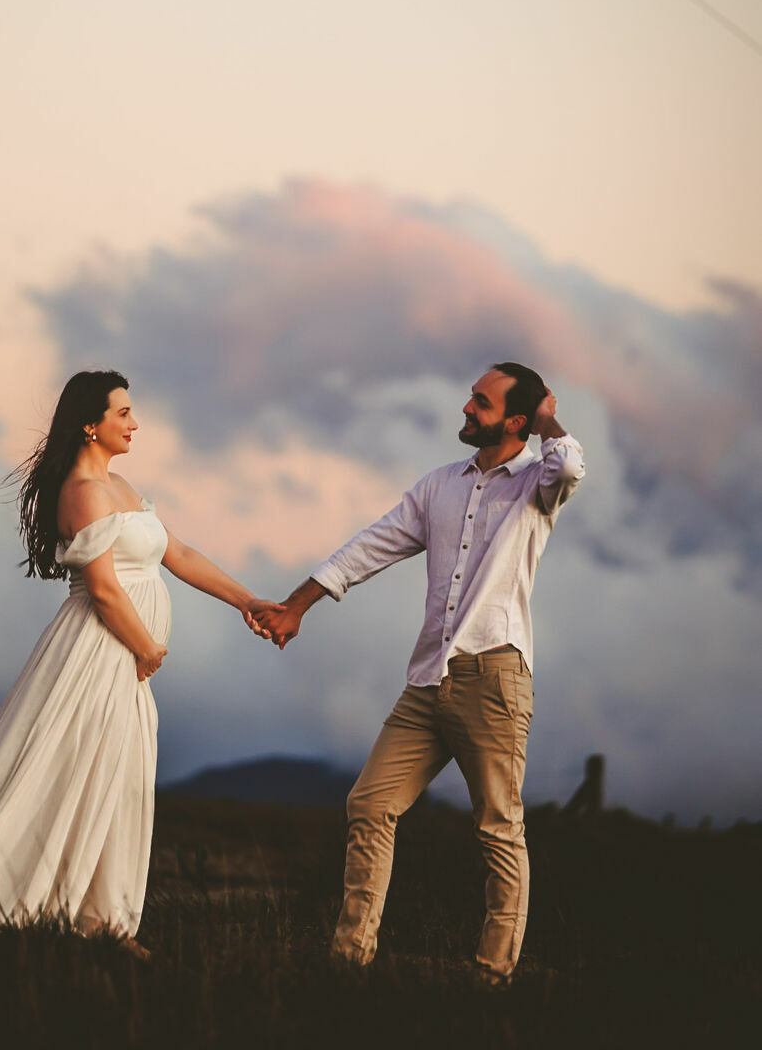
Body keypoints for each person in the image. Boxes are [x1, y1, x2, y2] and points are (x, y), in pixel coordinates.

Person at [0, 369, 268, 953]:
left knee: (119, 779)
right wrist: (146, 646)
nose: (134, 422)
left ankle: (104, 920)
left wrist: (247, 601)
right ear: (90, 425)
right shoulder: (83, 492)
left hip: (123, 656)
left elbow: (179, 554)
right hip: (99, 651)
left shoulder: (120, 486)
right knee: (71, 772)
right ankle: (29, 907)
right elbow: (102, 589)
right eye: (123, 412)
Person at [249, 362, 585, 987]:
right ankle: (349, 961)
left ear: (517, 420)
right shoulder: (438, 486)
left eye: (480, 403)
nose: (465, 408)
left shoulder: (538, 484)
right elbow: (371, 545)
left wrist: (548, 422)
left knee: (497, 827)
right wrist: (297, 605)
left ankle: (491, 979)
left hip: (494, 678)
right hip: (428, 680)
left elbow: (567, 465)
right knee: (370, 803)